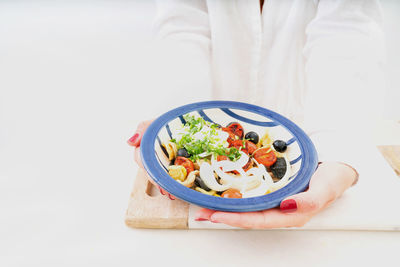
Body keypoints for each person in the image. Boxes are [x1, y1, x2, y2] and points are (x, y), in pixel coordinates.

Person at [128, 0, 385, 228]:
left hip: (312, 147)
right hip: (207, 153)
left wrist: (338, 150)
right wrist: (177, 123)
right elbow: (182, 26)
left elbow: (346, 32)